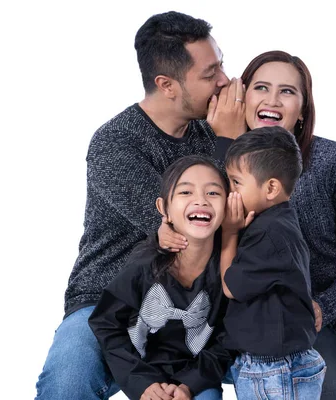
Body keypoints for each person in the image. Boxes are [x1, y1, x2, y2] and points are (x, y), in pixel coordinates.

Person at [161, 50, 336, 400]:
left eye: (288, 91)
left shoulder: (335, 162)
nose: (272, 100)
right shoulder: (225, 167)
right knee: (330, 390)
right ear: (243, 98)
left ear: (303, 109)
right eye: (261, 88)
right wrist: (227, 143)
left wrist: (323, 306)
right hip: (294, 312)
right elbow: (210, 247)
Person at [35, 11, 245, 399]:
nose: (225, 81)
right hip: (108, 300)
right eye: (209, 72)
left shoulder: (214, 130)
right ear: (166, 84)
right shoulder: (116, 144)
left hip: (201, 305)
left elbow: (240, 212)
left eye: (221, 65)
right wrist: (228, 144)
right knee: (67, 380)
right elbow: (189, 228)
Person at [89, 156, 231, 400]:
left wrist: (189, 384)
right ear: (164, 209)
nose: (200, 200)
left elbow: (228, 340)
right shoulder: (143, 265)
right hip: (143, 371)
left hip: (197, 375)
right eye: (185, 192)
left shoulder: (229, 272)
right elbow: (106, 324)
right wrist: (141, 383)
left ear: (228, 207)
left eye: (213, 193)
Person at [219, 126, 326, 399]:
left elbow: (230, 286)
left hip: (273, 369)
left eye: (236, 182)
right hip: (279, 364)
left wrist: (230, 233)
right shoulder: (279, 222)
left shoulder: (269, 234)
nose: (228, 191)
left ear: (271, 188)